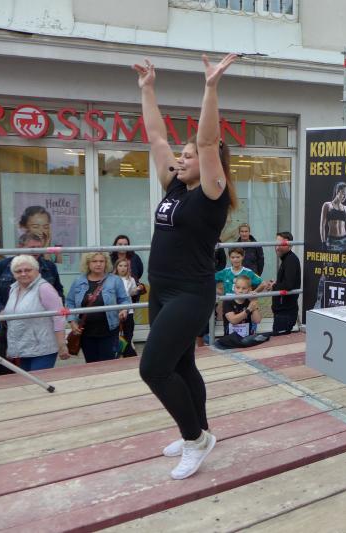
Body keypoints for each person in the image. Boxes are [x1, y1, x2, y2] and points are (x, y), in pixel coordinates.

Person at [134, 53, 239, 480]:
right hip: (161, 289)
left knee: (153, 368)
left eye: (188, 155)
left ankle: (194, 439)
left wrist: (211, 88)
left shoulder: (212, 193)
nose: (181, 158)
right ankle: (200, 431)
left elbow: (208, 141)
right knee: (181, 366)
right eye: (181, 154)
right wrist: (147, 89)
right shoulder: (174, 186)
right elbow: (156, 136)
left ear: (210, 164)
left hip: (191, 293)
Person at [0, 232, 64, 372]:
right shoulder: (5, 267)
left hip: (39, 334)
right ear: (20, 247)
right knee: (8, 373)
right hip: (10, 329)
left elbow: (58, 295)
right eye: (32, 248)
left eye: (39, 248)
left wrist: (60, 340)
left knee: (36, 377)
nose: (36, 251)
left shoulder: (48, 267)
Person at [4, 255, 69, 371]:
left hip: (42, 349)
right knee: (26, 381)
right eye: (18, 271)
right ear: (13, 274)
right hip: (22, 349)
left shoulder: (44, 288)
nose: (23, 274)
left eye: (28, 270)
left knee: (38, 381)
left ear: (37, 270)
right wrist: (12, 346)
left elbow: (58, 316)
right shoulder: (13, 289)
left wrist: (62, 345)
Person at [66, 252, 130, 363]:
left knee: (108, 365)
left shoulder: (115, 280)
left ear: (106, 263)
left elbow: (124, 300)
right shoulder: (78, 281)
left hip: (109, 331)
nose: (98, 264)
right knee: (92, 365)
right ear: (88, 263)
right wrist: (72, 321)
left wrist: (124, 310)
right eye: (94, 261)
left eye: (101, 261)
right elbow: (69, 302)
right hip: (86, 333)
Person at [260, 231, 301, 335]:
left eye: (281, 244)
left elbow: (289, 285)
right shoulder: (287, 259)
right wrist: (276, 283)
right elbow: (288, 282)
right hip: (283, 312)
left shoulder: (290, 260)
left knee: (279, 338)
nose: (277, 247)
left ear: (290, 245)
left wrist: (274, 285)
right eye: (276, 244)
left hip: (285, 312)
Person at [215, 275, 262, 348]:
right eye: (238, 287)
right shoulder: (228, 301)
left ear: (249, 289)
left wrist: (253, 302)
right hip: (230, 341)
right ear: (234, 288)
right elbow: (233, 320)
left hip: (246, 340)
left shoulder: (249, 301)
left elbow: (257, 320)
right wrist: (249, 309)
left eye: (244, 288)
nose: (240, 291)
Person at [114, 258, 145, 357]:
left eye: (125, 266)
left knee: (128, 335)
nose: (123, 268)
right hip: (115, 312)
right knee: (116, 335)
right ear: (116, 267)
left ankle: (126, 355)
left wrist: (137, 289)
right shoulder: (112, 279)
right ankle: (127, 355)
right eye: (120, 266)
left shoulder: (131, 279)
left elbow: (131, 293)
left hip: (129, 311)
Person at [320, 182, 346, 253]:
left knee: (345, 260)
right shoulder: (327, 205)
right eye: (343, 193)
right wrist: (323, 242)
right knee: (330, 261)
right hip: (332, 242)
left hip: (344, 242)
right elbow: (322, 226)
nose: (345, 196)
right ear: (337, 192)